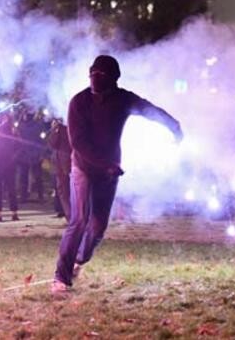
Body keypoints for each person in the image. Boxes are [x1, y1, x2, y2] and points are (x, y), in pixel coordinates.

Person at [52, 55, 183, 294]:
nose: (95, 77)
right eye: (92, 72)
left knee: (98, 226)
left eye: (101, 74)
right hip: (84, 167)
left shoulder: (123, 99)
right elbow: (78, 143)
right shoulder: (79, 102)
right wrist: (104, 165)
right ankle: (61, 277)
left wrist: (173, 125)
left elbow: (149, 110)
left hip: (109, 170)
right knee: (79, 220)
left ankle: (78, 261)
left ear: (113, 78)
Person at [0, 113, 20, 222]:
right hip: (9, 163)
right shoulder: (14, 131)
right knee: (11, 188)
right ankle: (14, 213)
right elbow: (19, 147)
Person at [48, 118, 71, 220]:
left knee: (63, 190)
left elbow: (53, 143)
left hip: (63, 164)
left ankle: (70, 216)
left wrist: (54, 129)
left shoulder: (60, 128)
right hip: (67, 162)